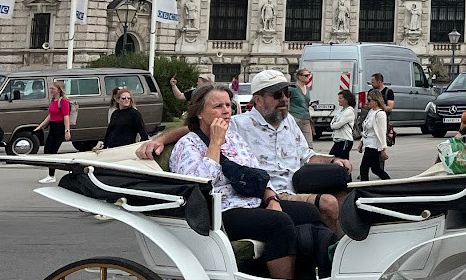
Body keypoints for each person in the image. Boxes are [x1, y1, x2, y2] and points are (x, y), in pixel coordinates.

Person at [138, 70, 352, 234]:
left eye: (286, 93)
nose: (284, 99)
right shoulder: (239, 124)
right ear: (258, 100)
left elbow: (306, 156)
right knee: (327, 203)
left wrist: (333, 159)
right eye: (277, 95)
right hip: (271, 191)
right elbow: (197, 127)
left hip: (294, 183)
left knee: (344, 186)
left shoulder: (290, 123)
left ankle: (334, 259)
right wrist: (161, 139)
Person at [171, 85, 305, 280]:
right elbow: (200, 185)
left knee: (309, 214)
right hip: (218, 212)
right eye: (218, 106)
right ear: (199, 112)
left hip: (250, 201)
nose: (226, 111)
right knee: (280, 223)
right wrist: (215, 143)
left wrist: (271, 199)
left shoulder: (234, 139)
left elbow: (256, 172)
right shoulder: (187, 145)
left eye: (228, 105)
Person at [358, 94, 389, 181]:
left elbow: (382, 132)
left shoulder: (380, 114)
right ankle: (390, 183)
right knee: (376, 169)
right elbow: (365, 129)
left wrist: (383, 149)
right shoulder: (371, 112)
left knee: (363, 168)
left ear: (376, 101)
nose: (368, 102)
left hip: (374, 145)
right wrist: (362, 142)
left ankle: (364, 188)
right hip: (368, 143)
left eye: (369, 100)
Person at [367, 72, 396, 148]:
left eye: (373, 82)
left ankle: (382, 150)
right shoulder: (371, 92)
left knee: (381, 137)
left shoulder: (388, 92)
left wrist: (378, 106)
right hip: (371, 118)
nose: (371, 84)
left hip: (382, 119)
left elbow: (390, 107)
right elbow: (367, 105)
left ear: (379, 82)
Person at [42, 80, 72, 154]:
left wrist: (67, 131)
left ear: (59, 90)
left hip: (59, 126)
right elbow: (50, 115)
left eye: (53, 89)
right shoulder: (53, 100)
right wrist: (40, 126)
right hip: (53, 126)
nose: (51, 90)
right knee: (47, 149)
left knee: (52, 149)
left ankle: (53, 165)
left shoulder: (63, 101)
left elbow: (66, 116)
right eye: (51, 89)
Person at [288, 67, 316, 143]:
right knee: (295, 142)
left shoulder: (307, 88)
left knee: (309, 144)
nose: (308, 77)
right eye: (306, 75)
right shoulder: (292, 89)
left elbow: (306, 103)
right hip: (295, 118)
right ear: (299, 77)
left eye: (309, 75)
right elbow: (286, 103)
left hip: (306, 118)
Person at [328, 90, 357, 161]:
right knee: (333, 159)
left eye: (341, 98)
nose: (339, 100)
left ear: (347, 99)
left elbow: (338, 125)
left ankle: (346, 172)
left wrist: (334, 125)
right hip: (338, 140)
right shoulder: (340, 111)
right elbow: (332, 123)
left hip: (345, 140)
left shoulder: (349, 111)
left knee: (342, 162)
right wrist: (333, 125)